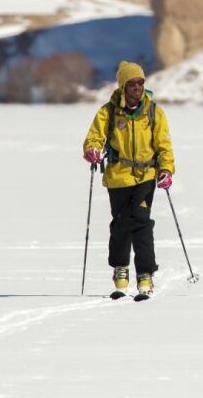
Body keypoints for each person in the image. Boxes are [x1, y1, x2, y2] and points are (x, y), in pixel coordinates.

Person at [82, 61, 176, 298]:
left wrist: (166, 170)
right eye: (132, 83)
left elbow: (164, 146)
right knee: (121, 223)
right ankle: (120, 268)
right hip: (118, 177)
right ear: (123, 86)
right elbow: (94, 138)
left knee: (141, 222)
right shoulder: (109, 112)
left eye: (141, 82)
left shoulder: (154, 112)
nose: (137, 87)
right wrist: (92, 150)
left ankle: (145, 274)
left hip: (146, 176)